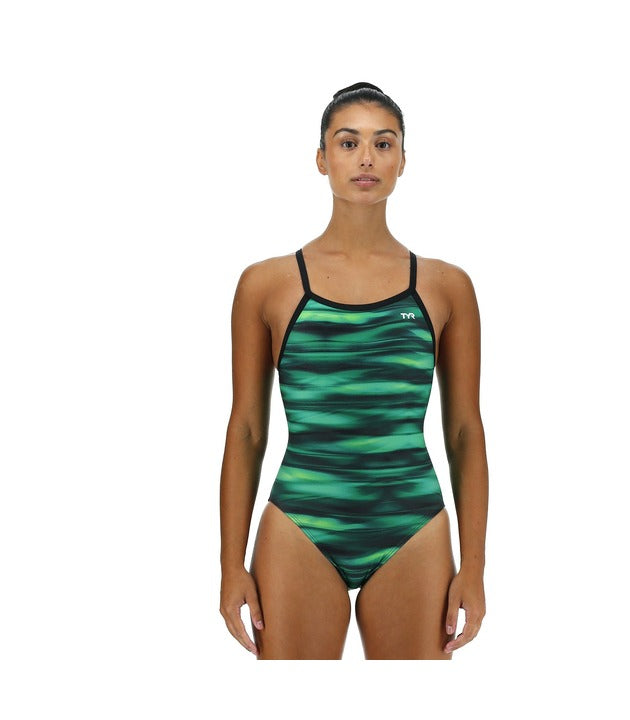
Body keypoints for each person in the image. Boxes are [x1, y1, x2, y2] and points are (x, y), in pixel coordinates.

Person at [219, 82, 489, 660]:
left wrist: (475, 567)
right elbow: (246, 430)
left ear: (402, 161)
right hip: (301, 520)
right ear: (322, 159)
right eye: (348, 143)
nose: (366, 158)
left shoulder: (445, 286)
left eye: (382, 144)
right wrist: (229, 565)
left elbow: (465, 431)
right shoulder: (266, 284)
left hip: (411, 523)